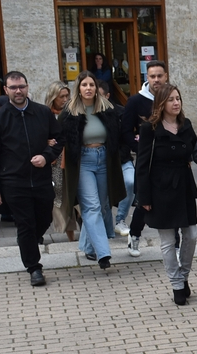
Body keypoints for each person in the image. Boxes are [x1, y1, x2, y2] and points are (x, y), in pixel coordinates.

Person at [0, 71, 63, 286]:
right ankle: (34, 268)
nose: (18, 91)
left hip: (41, 178)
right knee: (25, 224)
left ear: (27, 87)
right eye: (13, 87)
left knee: (44, 218)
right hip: (13, 182)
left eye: (21, 87)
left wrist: (47, 156)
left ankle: (27, 241)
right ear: (6, 90)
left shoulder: (42, 112)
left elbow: (59, 138)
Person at [135, 84, 197, 306]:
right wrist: (144, 197)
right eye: (171, 99)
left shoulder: (185, 124)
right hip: (160, 189)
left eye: (178, 98)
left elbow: (196, 149)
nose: (176, 102)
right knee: (168, 241)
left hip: (184, 186)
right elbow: (142, 164)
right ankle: (177, 284)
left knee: (191, 235)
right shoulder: (149, 128)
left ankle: (184, 275)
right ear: (161, 103)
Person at [59, 71, 125, 270]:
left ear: (97, 88)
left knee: (103, 206)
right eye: (84, 85)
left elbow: (119, 134)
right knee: (92, 207)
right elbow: (58, 136)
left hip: (104, 159)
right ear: (78, 89)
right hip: (83, 162)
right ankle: (103, 253)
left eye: (91, 85)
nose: (88, 88)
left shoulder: (108, 109)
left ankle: (88, 246)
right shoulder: (69, 112)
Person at [122, 60, 168, 257]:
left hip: (168, 161)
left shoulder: (171, 98)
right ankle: (134, 236)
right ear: (146, 77)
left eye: (159, 76)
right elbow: (125, 131)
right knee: (143, 202)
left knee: (170, 202)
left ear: (165, 76)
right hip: (146, 163)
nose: (156, 80)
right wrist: (140, 149)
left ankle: (174, 245)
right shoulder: (136, 101)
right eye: (152, 76)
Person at [98, 81, 135, 238]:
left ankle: (120, 219)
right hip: (100, 162)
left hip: (122, 159)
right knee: (104, 197)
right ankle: (107, 230)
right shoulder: (89, 115)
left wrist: (118, 156)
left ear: (107, 96)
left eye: (99, 95)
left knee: (130, 181)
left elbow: (127, 138)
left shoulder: (120, 113)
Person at [43, 80, 76, 242]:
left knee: (76, 196)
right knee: (60, 197)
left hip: (73, 157)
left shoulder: (73, 113)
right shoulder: (45, 114)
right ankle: (69, 235)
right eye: (61, 96)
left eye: (67, 96)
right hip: (55, 161)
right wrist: (46, 141)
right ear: (53, 97)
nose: (65, 99)